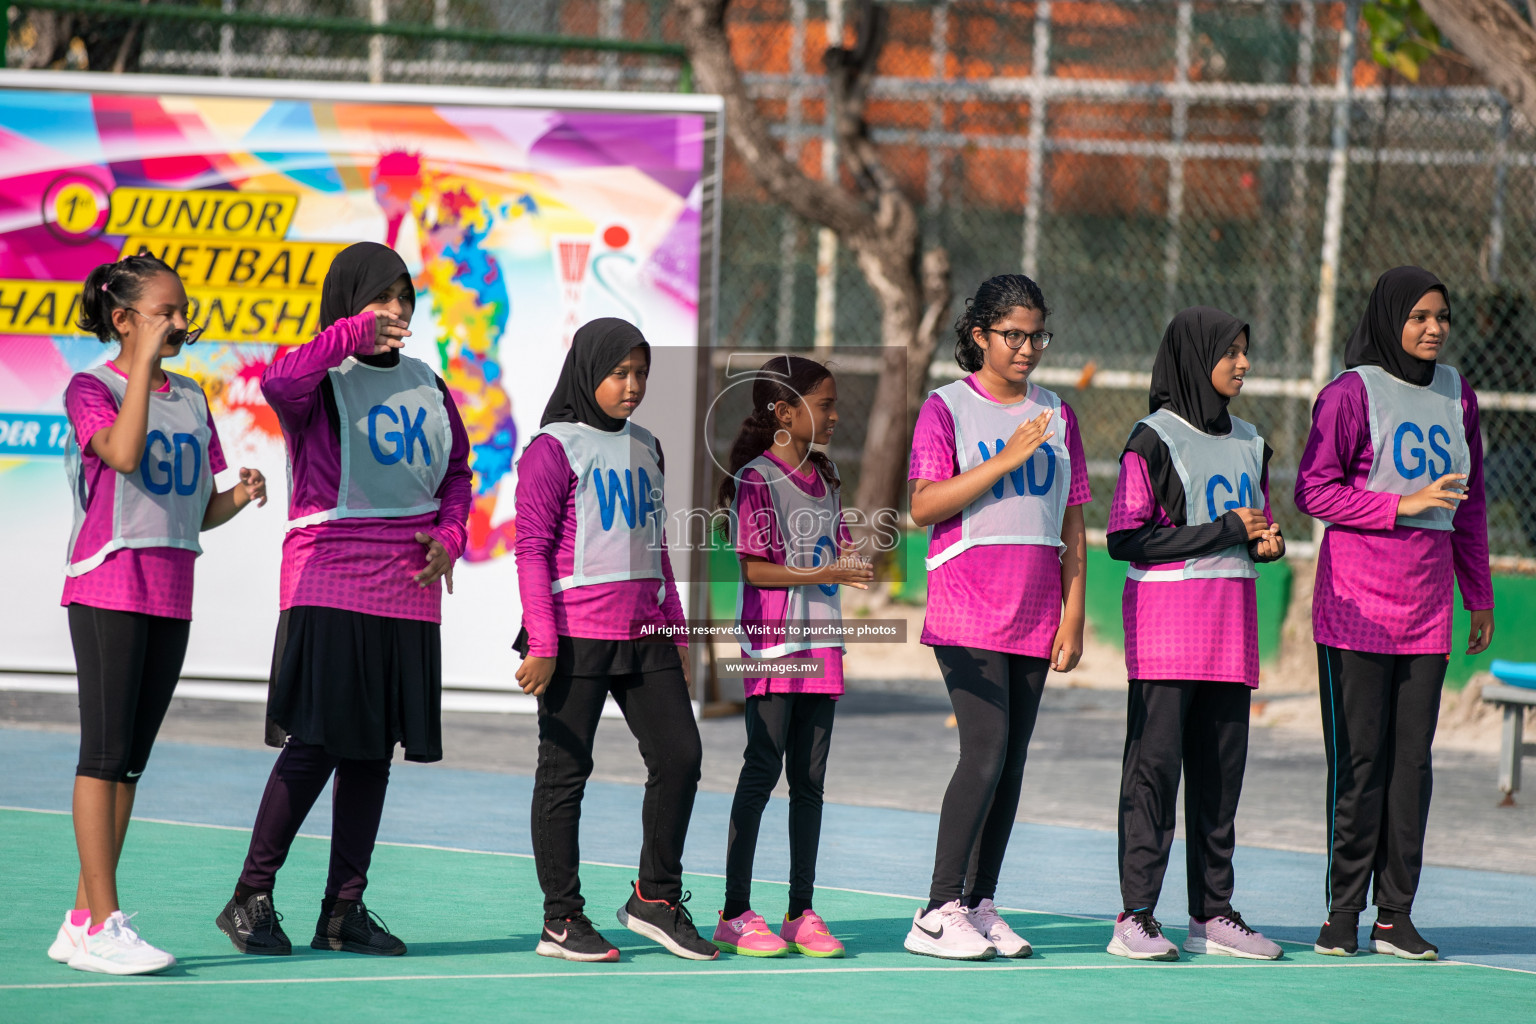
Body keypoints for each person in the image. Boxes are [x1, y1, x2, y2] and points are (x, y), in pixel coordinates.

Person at [216, 242, 472, 958]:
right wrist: (350, 335)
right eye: (379, 298)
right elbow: (278, 381)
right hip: (329, 574)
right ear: (349, 305)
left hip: (408, 586)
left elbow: (457, 471)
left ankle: (343, 909)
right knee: (319, 742)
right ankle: (250, 896)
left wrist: (451, 534)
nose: (395, 311)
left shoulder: (429, 382)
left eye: (405, 297)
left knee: (373, 753)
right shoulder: (318, 378)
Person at [53, 253, 266, 975]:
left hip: (172, 588)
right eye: (164, 312)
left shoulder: (194, 399)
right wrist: (140, 366)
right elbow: (120, 451)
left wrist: (237, 496)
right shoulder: (93, 387)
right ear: (123, 320)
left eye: (182, 311)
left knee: (132, 766)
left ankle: (83, 917)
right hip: (109, 580)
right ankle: (102, 923)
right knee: (103, 757)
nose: (180, 321)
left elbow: (194, 509)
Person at [1295, 266, 1494, 961]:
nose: (1434, 328)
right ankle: (1341, 912)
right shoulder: (1351, 394)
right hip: (1356, 609)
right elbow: (1313, 491)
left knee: (1413, 765)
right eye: (1419, 317)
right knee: (1363, 760)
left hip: (1428, 607)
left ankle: (1395, 914)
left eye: (1441, 315)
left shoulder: (1457, 394)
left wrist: (1480, 592)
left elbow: (1469, 504)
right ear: (1389, 320)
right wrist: (1396, 505)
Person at [513, 318, 716, 963]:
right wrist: (542, 642)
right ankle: (561, 920)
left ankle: (655, 900)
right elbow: (531, 552)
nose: (633, 386)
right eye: (619, 373)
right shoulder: (551, 450)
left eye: (641, 373)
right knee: (565, 773)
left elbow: (656, 548)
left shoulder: (650, 447)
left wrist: (678, 633)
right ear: (587, 372)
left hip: (646, 632)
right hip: (573, 638)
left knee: (680, 755)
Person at [904, 273, 1090, 961]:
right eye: (1013, 334)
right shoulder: (946, 407)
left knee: (1009, 766)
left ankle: (979, 903)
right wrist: (1006, 458)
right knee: (982, 755)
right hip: (967, 608)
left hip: (1036, 612)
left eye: (1037, 334)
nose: (1027, 347)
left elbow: (1073, 525)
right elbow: (924, 506)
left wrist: (1073, 617)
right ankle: (934, 910)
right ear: (979, 334)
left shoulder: (1058, 415)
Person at [1104, 307, 1285, 962]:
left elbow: (1249, 524)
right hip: (1167, 632)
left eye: (1245, 350)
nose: (1242, 363)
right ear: (1193, 355)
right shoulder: (1152, 438)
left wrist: (1263, 542)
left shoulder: (1250, 438)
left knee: (1220, 778)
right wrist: (1229, 530)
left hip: (1230, 633)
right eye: (1229, 351)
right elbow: (1126, 537)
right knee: (1154, 775)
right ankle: (1136, 916)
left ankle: (1212, 914)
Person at [711, 356, 872, 958]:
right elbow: (755, 569)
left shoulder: (826, 477)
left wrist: (851, 561)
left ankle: (800, 911)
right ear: (784, 411)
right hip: (775, 646)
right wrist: (829, 568)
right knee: (762, 772)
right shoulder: (756, 479)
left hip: (821, 643)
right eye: (825, 404)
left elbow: (841, 546)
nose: (834, 415)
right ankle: (733, 912)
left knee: (809, 781)